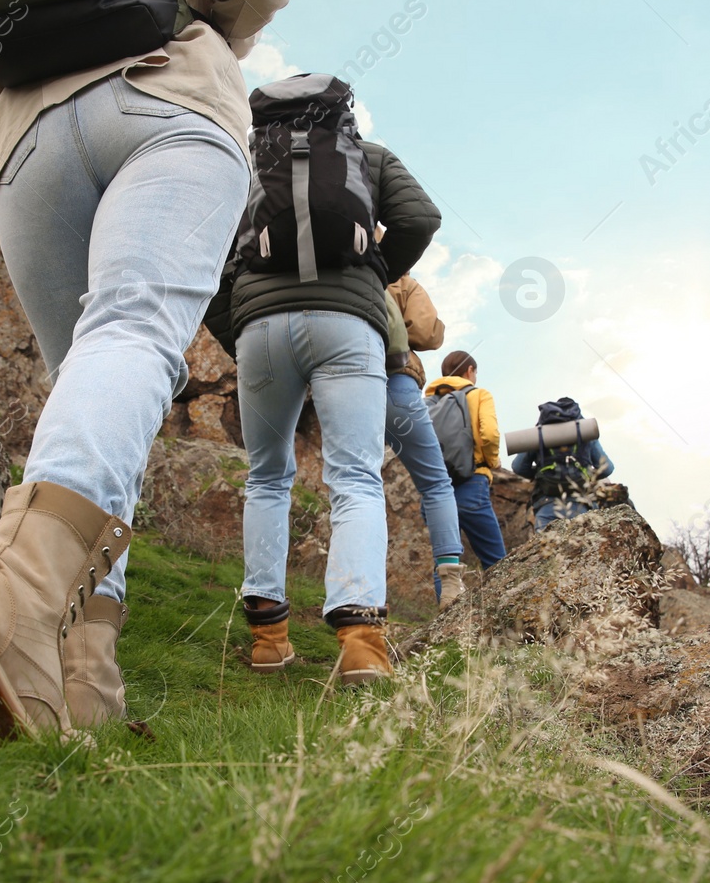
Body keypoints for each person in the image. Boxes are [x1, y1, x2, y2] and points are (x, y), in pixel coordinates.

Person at [0, 0, 298, 744]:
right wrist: (191, 18)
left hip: (27, 147)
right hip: (168, 96)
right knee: (133, 334)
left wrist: (51, 60)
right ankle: (16, 594)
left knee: (94, 384)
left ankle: (82, 689)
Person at [205, 74, 441, 687]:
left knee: (266, 475)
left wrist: (240, 333)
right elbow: (421, 216)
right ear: (344, 113)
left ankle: (267, 639)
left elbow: (210, 260)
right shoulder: (368, 156)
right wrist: (374, 269)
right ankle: (361, 643)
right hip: (348, 326)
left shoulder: (248, 165)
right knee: (356, 478)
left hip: (261, 328)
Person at [383, 275, 467, 608]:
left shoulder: (314, 245)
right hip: (395, 379)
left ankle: (358, 602)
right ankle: (449, 585)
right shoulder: (398, 274)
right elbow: (427, 333)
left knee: (355, 481)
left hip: (341, 376)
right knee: (435, 484)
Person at [426, 352, 506, 570]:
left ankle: (448, 604)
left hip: (435, 491)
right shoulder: (479, 395)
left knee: (445, 565)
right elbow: (489, 434)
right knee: (498, 563)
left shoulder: (427, 403)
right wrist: (491, 461)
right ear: (470, 370)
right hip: (471, 484)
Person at [512, 397, 614, 532]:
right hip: (580, 503)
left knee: (547, 550)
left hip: (547, 503)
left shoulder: (540, 433)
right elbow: (607, 468)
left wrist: (540, 473)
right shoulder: (583, 431)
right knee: (581, 549)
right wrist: (587, 474)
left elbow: (518, 467)